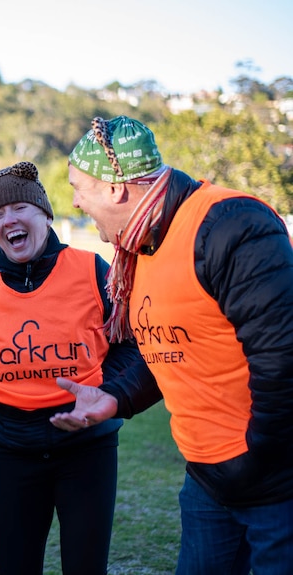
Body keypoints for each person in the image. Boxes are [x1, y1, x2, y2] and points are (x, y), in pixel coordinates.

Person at [52, 115, 293, 574]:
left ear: (115, 189)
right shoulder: (141, 245)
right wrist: (115, 396)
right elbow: (170, 344)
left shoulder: (230, 224)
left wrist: (259, 458)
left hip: (274, 480)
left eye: (78, 188)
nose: (76, 202)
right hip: (207, 478)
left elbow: (282, 357)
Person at [0, 161, 155, 575]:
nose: (9, 220)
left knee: (85, 566)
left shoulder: (91, 269)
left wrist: (102, 393)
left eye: (19, 208)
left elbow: (130, 343)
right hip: (11, 449)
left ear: (44, 214)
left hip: (87, 448)